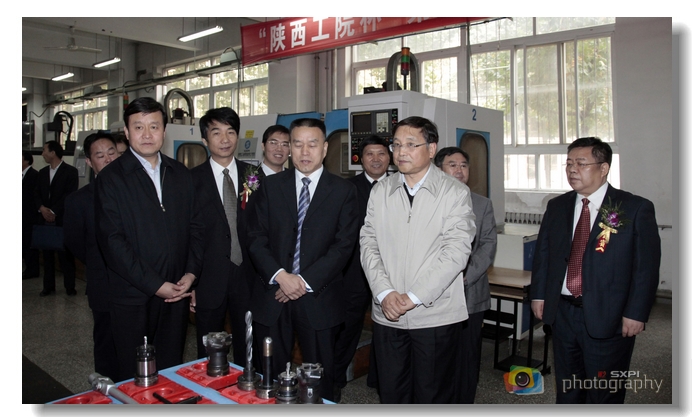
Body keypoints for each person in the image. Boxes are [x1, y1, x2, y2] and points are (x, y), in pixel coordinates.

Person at [530, 137, 661, 404]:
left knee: (604, 392)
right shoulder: (558, 206)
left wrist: (636, 313)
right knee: (568, 387)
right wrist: (539, 295)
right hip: (563, 312)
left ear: (603, 168)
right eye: (569, 163)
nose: (572, 169)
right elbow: (544, 255)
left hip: (610, 314)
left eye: (581, 163)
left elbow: (645, 268)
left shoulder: (633, 208)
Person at [360, 116, 476, 404]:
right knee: (392, 393)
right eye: (397, 145)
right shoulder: (381, 190)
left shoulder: (454, 193)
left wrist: (414, 297)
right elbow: (368, 243)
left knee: (432, 394)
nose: (401, 152)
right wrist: (384, 292)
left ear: (431, 148)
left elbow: (456, 252)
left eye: (411, 144)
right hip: (388, 314)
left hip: (434, 315)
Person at [247, 118, 359, 403]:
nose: (304, 152)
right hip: (273, 295)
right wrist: (281, 276)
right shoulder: (270, 186)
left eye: (312, 144)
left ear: (325, 148)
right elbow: (255, 237)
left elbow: (343, 246)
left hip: (319, 297)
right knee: (269, 375)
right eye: (297, 144)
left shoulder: (344, 191)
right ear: (290, 148)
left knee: (319, 379)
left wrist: (302, 282)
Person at [94, 97, 203, 382]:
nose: (146, 134)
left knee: (170, 369)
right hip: (133, 295)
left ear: (164, 131)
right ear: (126, 132)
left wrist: (191, 274)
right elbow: (112, 242)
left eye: (154, 126)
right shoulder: (111, 178)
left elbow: (196, 228)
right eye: (138, 127)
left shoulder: (180, 174)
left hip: (176, 293)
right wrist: (155, 285)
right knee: (133, 374)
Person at [189, 107, 257, 363]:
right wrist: (190, 281)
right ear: (205, 139)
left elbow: (261, 223)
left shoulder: (253, 175)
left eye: (230, 132)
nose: (225, 139)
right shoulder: (191, 180)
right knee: (208, 350)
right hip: (208, 277)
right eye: (216, 133)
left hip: (248, 275)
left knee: (248, 345)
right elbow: (187, 235)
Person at [434, 146, 497, 404]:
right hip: (433, 294)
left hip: (470, 292)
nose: (459, 170)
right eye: (452, 165)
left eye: (463, 165)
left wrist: (464, 276)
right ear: (439, 170)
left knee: (467, 355)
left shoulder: (482, 204)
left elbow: (488, 245)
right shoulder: (429, 201)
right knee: (438, 356)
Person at [333, 134, 389, 401]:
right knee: (348, 328)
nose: (376, 159)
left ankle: (380, 378)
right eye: (370, 154)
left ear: (389, 157)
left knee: (388, 329)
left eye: (381, 153)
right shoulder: (347, 189)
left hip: (390, 273)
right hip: (353, 273)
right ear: (360, 159)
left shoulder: (400, 186)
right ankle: (334, 380)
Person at [63, 132, 119, 379]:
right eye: (100, 155)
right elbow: (74, 242)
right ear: (89, 161)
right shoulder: (79, 200)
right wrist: (99, 262)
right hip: (103, 283)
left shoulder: (140, 193)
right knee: (106, 343)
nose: (108, 159)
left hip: (140, 287)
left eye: (112, 153)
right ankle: (108, 392)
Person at [34, 140, 78, 296]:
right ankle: (48, 286)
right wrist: (42, 208)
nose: (43, 154)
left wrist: (53, 211)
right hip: (44, 218)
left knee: (65, 254)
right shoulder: (42, 173)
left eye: (44, 150)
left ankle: (70, 286)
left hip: (62, 219)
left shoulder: (70, 172)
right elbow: (36, 193)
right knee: (47, 255)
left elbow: (70, 195)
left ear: (53, 153)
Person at [22, 151, 40, 279]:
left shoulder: (34, 175)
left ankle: (32, 270)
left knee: (29, 244)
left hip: (29, 216)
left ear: (27, 161)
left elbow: (35, 196)